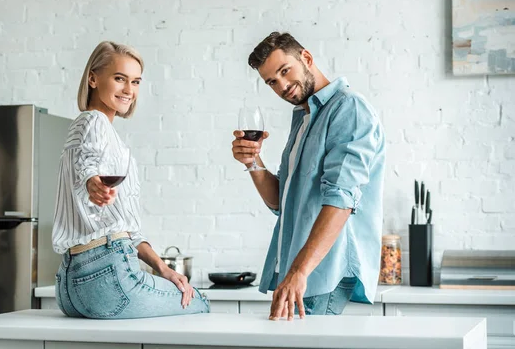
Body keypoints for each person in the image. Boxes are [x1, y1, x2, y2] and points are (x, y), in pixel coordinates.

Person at [231, 32, 386, 320]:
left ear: (307, 58)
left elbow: (342, 200)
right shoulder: (304, 119)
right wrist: (253, 162)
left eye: (284, 71)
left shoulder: (347, 108)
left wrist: (298, 272)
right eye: (272, 82)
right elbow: (282, 202)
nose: (282, 86)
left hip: (321, 271)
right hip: (301, 270)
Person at [52, 41, 210, 319]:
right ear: (93, 78)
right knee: (200, 302)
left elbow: (127, 230)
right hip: (106, 278)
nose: (129, 90)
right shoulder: (94, 122)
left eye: (135, 81)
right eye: (119, 79)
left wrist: (163, 268)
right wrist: (93, 183)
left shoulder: (94, 129)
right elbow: (87, 165)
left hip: (70, 287)